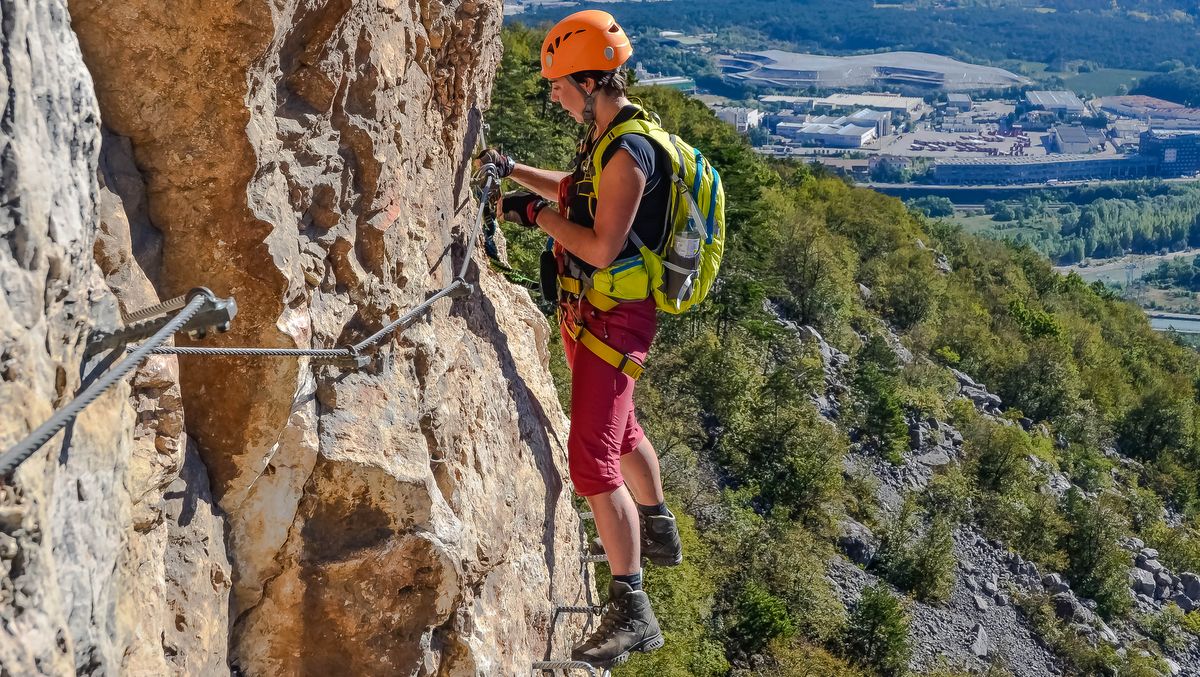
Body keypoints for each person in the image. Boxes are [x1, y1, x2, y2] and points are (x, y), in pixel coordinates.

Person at [477, 9, 682, 668]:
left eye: (560, 86)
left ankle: (633, 609)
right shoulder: (607, 137)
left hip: (613, 321)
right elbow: (573, 192)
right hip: (599, 314)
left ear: (591, 82)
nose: (555, 97)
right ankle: (656, 527)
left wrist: (534, 216)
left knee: (592, 460)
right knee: (621, 432)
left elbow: (598, 246)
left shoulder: (627, 154)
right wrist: (513, 172)